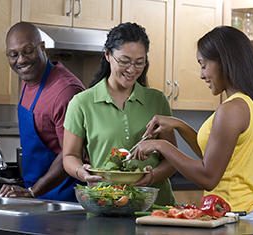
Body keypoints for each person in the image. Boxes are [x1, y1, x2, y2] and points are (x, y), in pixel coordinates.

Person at [130, 26, 253, 221]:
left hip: (243, 219)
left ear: (224, 62)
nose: (202, 75)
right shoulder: (249, 102)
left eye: (203, 65)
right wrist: (178, 125)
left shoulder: (231, 109)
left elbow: (208, 177)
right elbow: (213, 157)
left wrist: (161, 145)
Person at [62, 22, 178, 206]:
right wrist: (81, 172)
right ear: (108, 54)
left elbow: (173, 160)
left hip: (157, 208)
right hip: (106, 204)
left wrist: (151, 176)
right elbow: (69, 156)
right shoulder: (81, 103)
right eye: (124, 61)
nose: (132, 70)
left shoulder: (157, 101)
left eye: (139, 62)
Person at [0, 22, 86, 201]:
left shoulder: (66, 91)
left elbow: (73, 152)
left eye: (28, 50)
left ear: (42, 47)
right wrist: (32, 191)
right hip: (38, 194)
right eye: (13, 54)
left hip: (66, 197)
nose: (21, 60)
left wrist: (33, 191)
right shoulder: (28, 78)